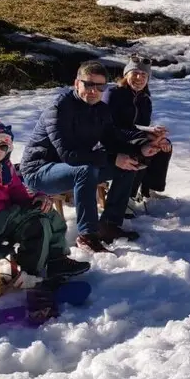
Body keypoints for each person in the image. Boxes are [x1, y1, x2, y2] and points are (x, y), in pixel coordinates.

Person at [20, 60, 161, 252]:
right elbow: (69, 155)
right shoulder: (59, 110)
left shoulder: (100, 110)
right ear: (76, 83)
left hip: (74, 167)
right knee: (85, 170)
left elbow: (113, 138)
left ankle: (109, 224)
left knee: (128, 164)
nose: (94, 91)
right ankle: (87, 236)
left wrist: (142, 147)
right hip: (40, 171)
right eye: (88, 84)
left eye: (100, 86)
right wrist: (113, 159)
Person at [0, 121, 89, 278]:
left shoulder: (5, 170)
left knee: (43, 220)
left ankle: (55, 261)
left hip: (3, 222)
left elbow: (19, 195)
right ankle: (31, 277)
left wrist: (37, 199)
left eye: (3, 146)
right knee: (37, 214)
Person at [103, 55, 173, 211]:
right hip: (112, 139)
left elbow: (139, 126)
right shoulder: (113, 94)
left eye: (144, 75)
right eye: (135, 73)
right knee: (144, 147)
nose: (139, 78)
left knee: (162, 146)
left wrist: (155, 134)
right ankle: (128, 195)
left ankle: (149, 190)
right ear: (126, 74)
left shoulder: (145, 99)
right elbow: (109, 127)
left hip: (132, 137)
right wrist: (145, 135)